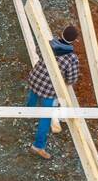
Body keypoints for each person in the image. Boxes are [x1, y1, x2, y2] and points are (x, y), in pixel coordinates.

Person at [25, 25, 82, 159]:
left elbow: (38, 52)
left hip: (35, 77)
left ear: (61, 34)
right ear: (74, 41)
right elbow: (72, 78)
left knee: (33, 94)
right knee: (46, 116)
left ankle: (28, 112)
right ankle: (38, 146)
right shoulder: (72, 58)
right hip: (49, 89)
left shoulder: (50, 43)